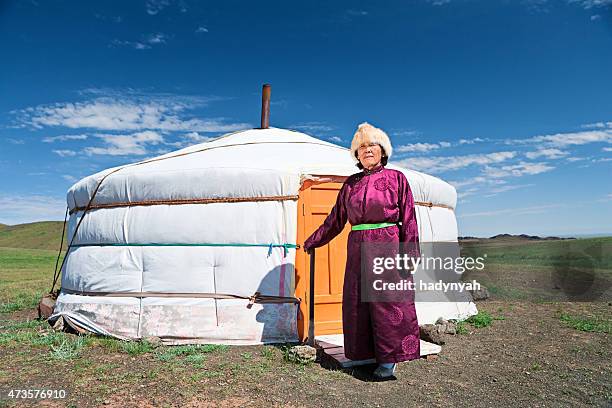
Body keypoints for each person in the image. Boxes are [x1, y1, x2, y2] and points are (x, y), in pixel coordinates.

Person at [303, 122, 421, 380]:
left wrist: (409, 254)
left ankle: (389, 360)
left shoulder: (396, 179)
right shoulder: (350, 184)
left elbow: (410, 217)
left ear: (382, 151)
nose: (367, 150)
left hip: (387, 244)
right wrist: (313, 240)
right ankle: (366, 354)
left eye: (372, 146)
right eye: (362, 147)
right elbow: (335, 219)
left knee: (386, 303)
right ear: (356, 154)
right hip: (357, 246)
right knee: (358, 301)